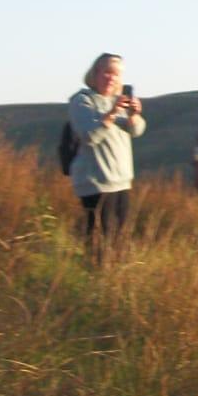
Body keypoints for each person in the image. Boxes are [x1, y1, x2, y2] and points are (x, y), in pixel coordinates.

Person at [66, 53, 145, 264]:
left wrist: (133, 115)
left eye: (116, 74)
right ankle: (95, 280)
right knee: (100, 239)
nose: (111, 78)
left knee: (120, 239)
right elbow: (89, 136)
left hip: (121, 181)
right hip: (96, 183)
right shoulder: (82, 101)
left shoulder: (117, 101)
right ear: (95, 74)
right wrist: (110, 114)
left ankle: (113, 281)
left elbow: (137, 130)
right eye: (107, 72)